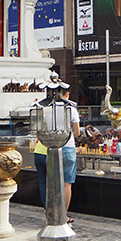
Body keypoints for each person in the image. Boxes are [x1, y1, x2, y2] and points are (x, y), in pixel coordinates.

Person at [33, 88, 80, 223]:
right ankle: (63, 215)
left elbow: (41, 129)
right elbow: (76, 133)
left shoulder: (44, 109)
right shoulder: (71, 109)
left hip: (51, 148)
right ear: (66, 94)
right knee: (66, 184)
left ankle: (51, 212)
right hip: (68, 147)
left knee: (52, 183)